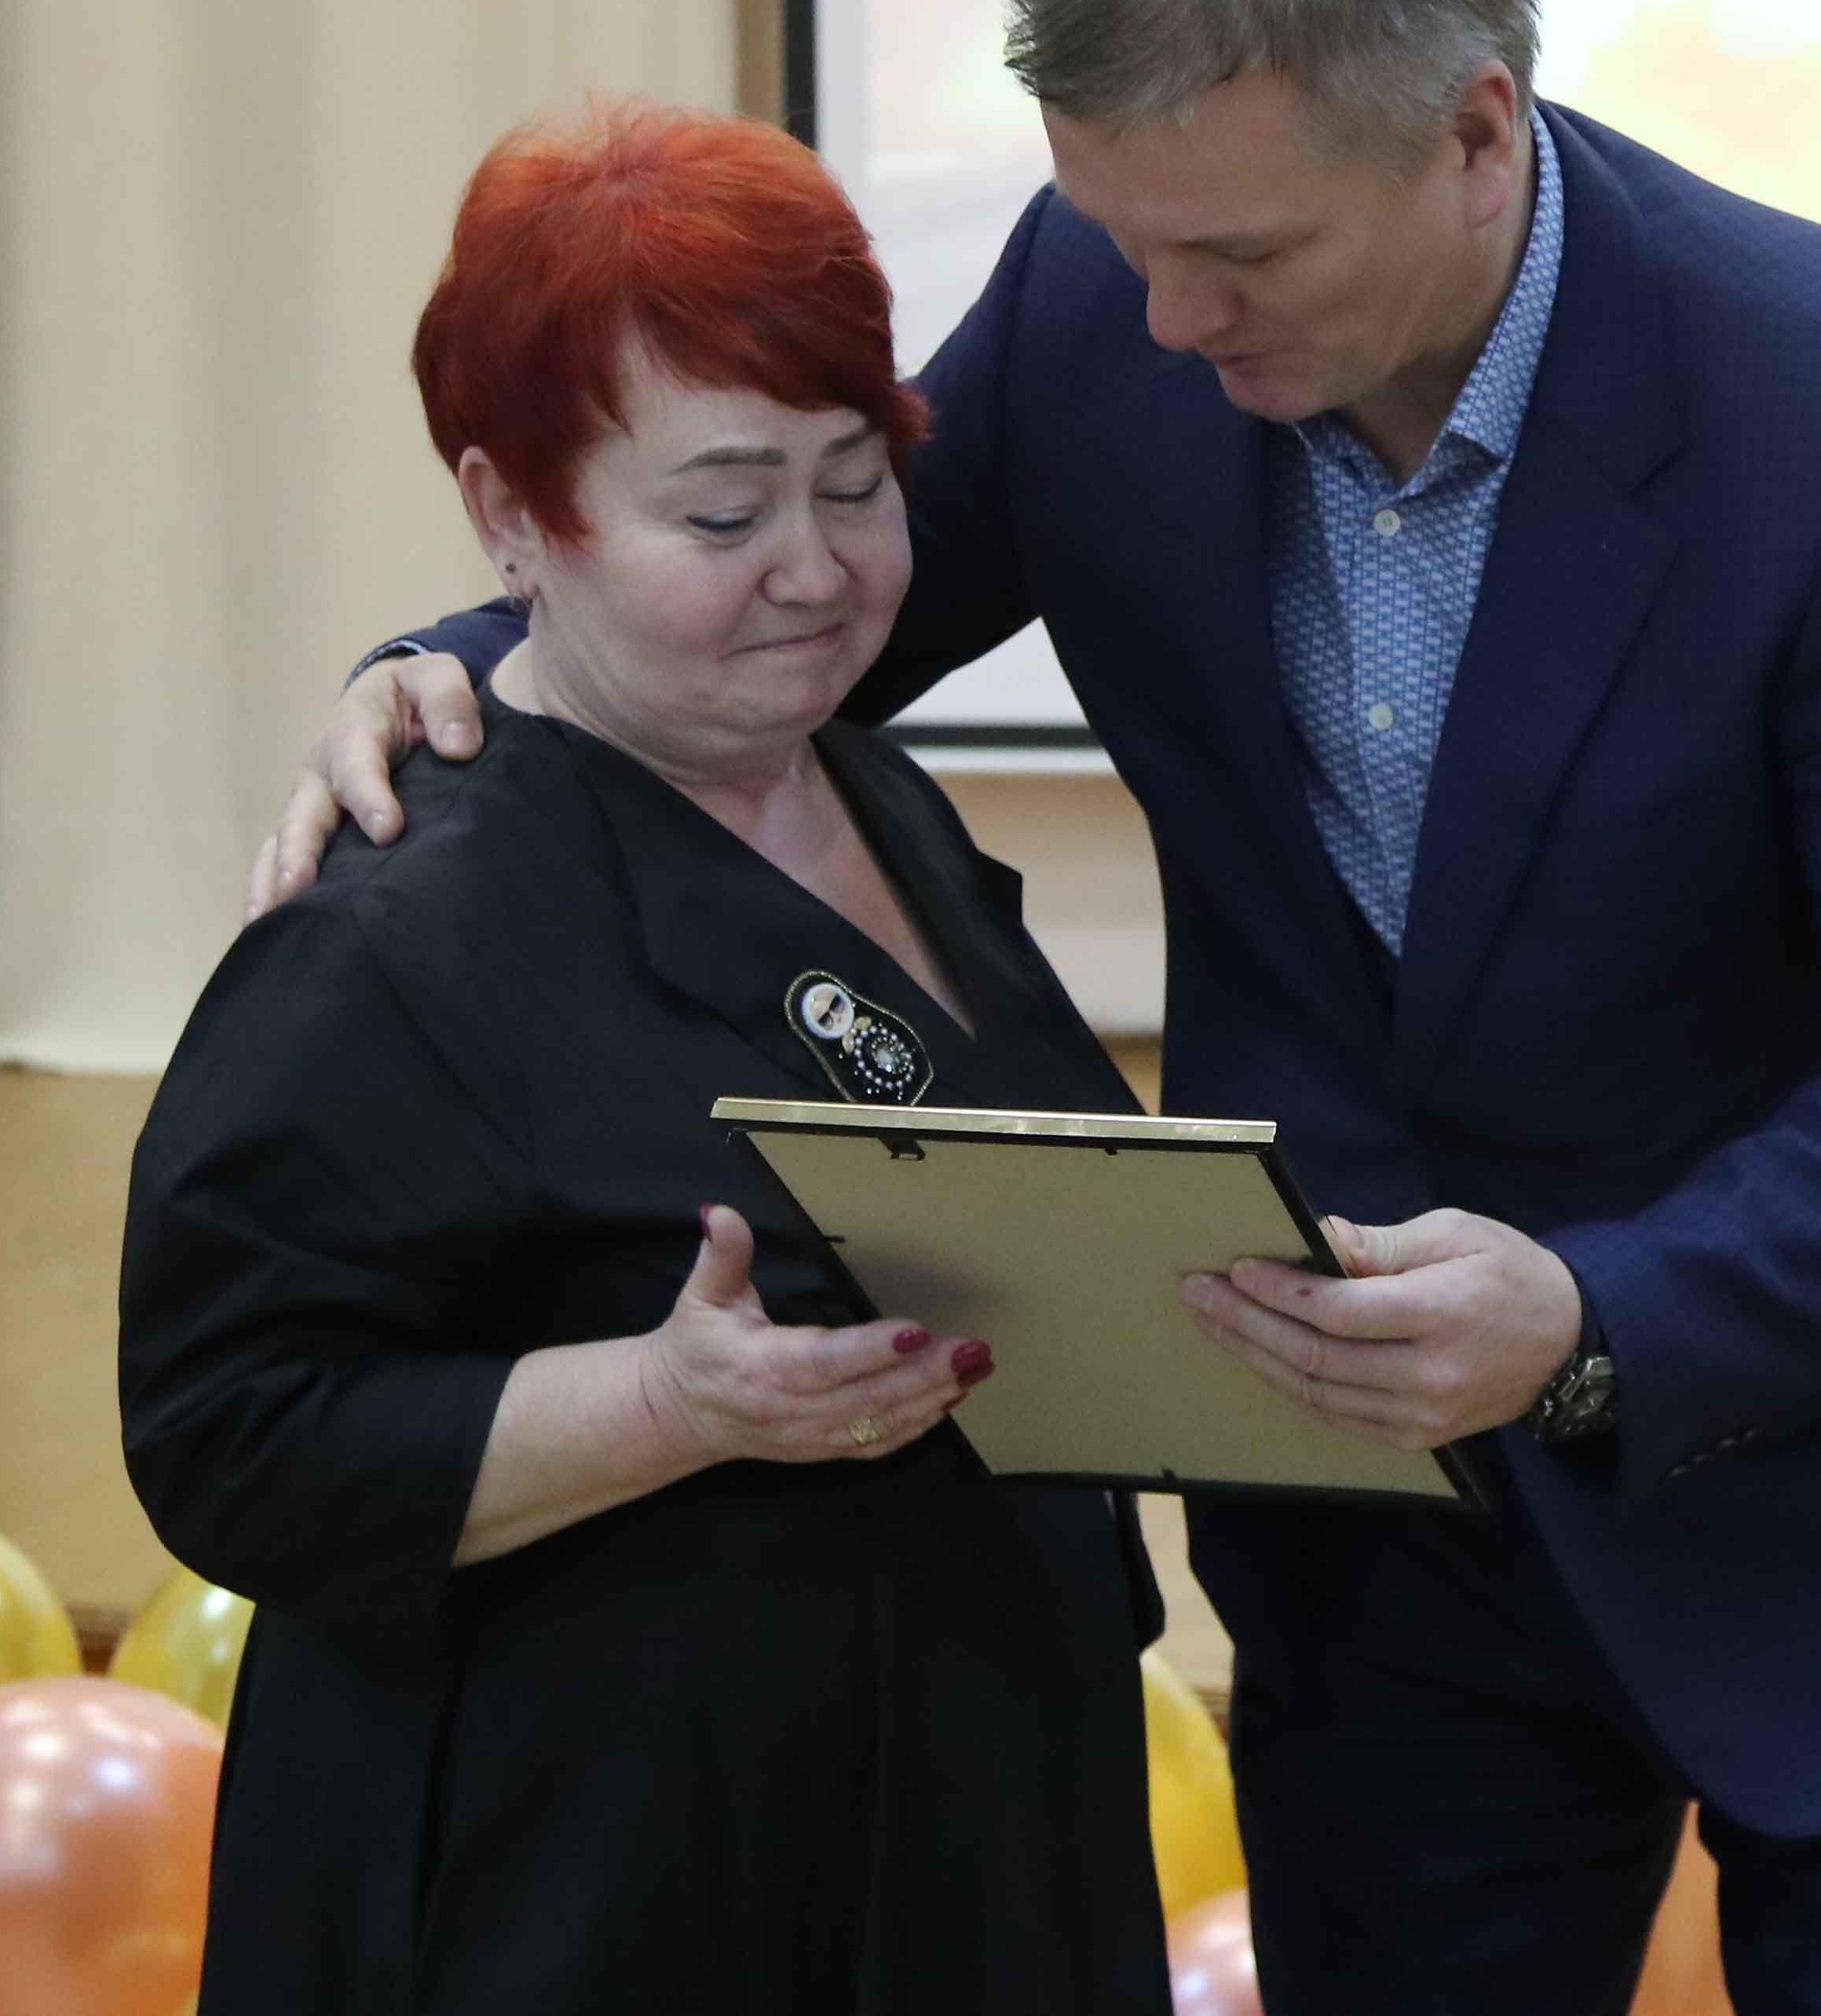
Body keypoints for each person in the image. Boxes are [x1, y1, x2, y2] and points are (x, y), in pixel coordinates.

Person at [258, 0, 1821, 2016]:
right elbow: (804, 608)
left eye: (1241, 256)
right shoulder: (1116, 303)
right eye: (1122, 238)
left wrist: (1588, 1311)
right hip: (1380, 1534)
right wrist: (466, 667)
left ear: (1475, 130)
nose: (1168, 325)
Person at [126, 102, 1172, 2016]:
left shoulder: (862, 786)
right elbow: (230, 1427)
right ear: (511, 515)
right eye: (721, 514)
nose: (817, 570)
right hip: (601, 1877)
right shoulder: (395, 931)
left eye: (856, 483)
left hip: (962, 1817)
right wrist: (662, 1400)